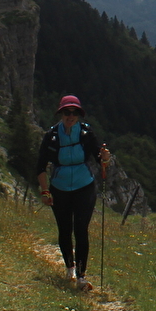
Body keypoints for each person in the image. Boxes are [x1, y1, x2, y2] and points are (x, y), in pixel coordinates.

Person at [36, 95, 109, 290]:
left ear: (78, 115)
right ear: (60, 113)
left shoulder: (85, 133)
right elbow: (40, 167)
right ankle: (70, 266)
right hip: (59, 189)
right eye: (67, 112)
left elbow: (98, 157)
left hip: (84, 186)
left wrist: (104, 158)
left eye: (74, 112)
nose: (70, 116)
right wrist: (45, 191)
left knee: (81, 230)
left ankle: (81, 276)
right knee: (65, 229)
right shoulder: (51, 136)